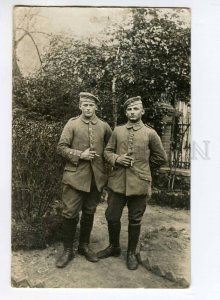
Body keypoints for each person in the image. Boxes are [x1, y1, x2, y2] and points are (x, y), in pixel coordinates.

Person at [97, 96, 167, 270]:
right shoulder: (118, 131)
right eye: (129, 110)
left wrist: (143, 167)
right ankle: (114, 247)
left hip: (140, 183)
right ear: (126, 112)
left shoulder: (150, 133)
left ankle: (130, 253)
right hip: (117, 183)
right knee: (112, 216)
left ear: (142, 111)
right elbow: (107, 152)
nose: (132, 112)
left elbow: (161, 157)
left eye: (135, 109)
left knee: (135, 219)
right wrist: (118, 159)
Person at [56, 92, 112, 268]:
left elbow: (109, 150)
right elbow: (61, 148)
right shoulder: (71, 124)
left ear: (96, 107)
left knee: (89, 212)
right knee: (69, 213)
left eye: (91, 105)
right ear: (80, 106)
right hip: (74, 177)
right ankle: (67, 250)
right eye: (85, 105)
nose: (88, 108)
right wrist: (81, 154)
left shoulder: (104, 127)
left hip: (96, 179)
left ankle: (83, 246)